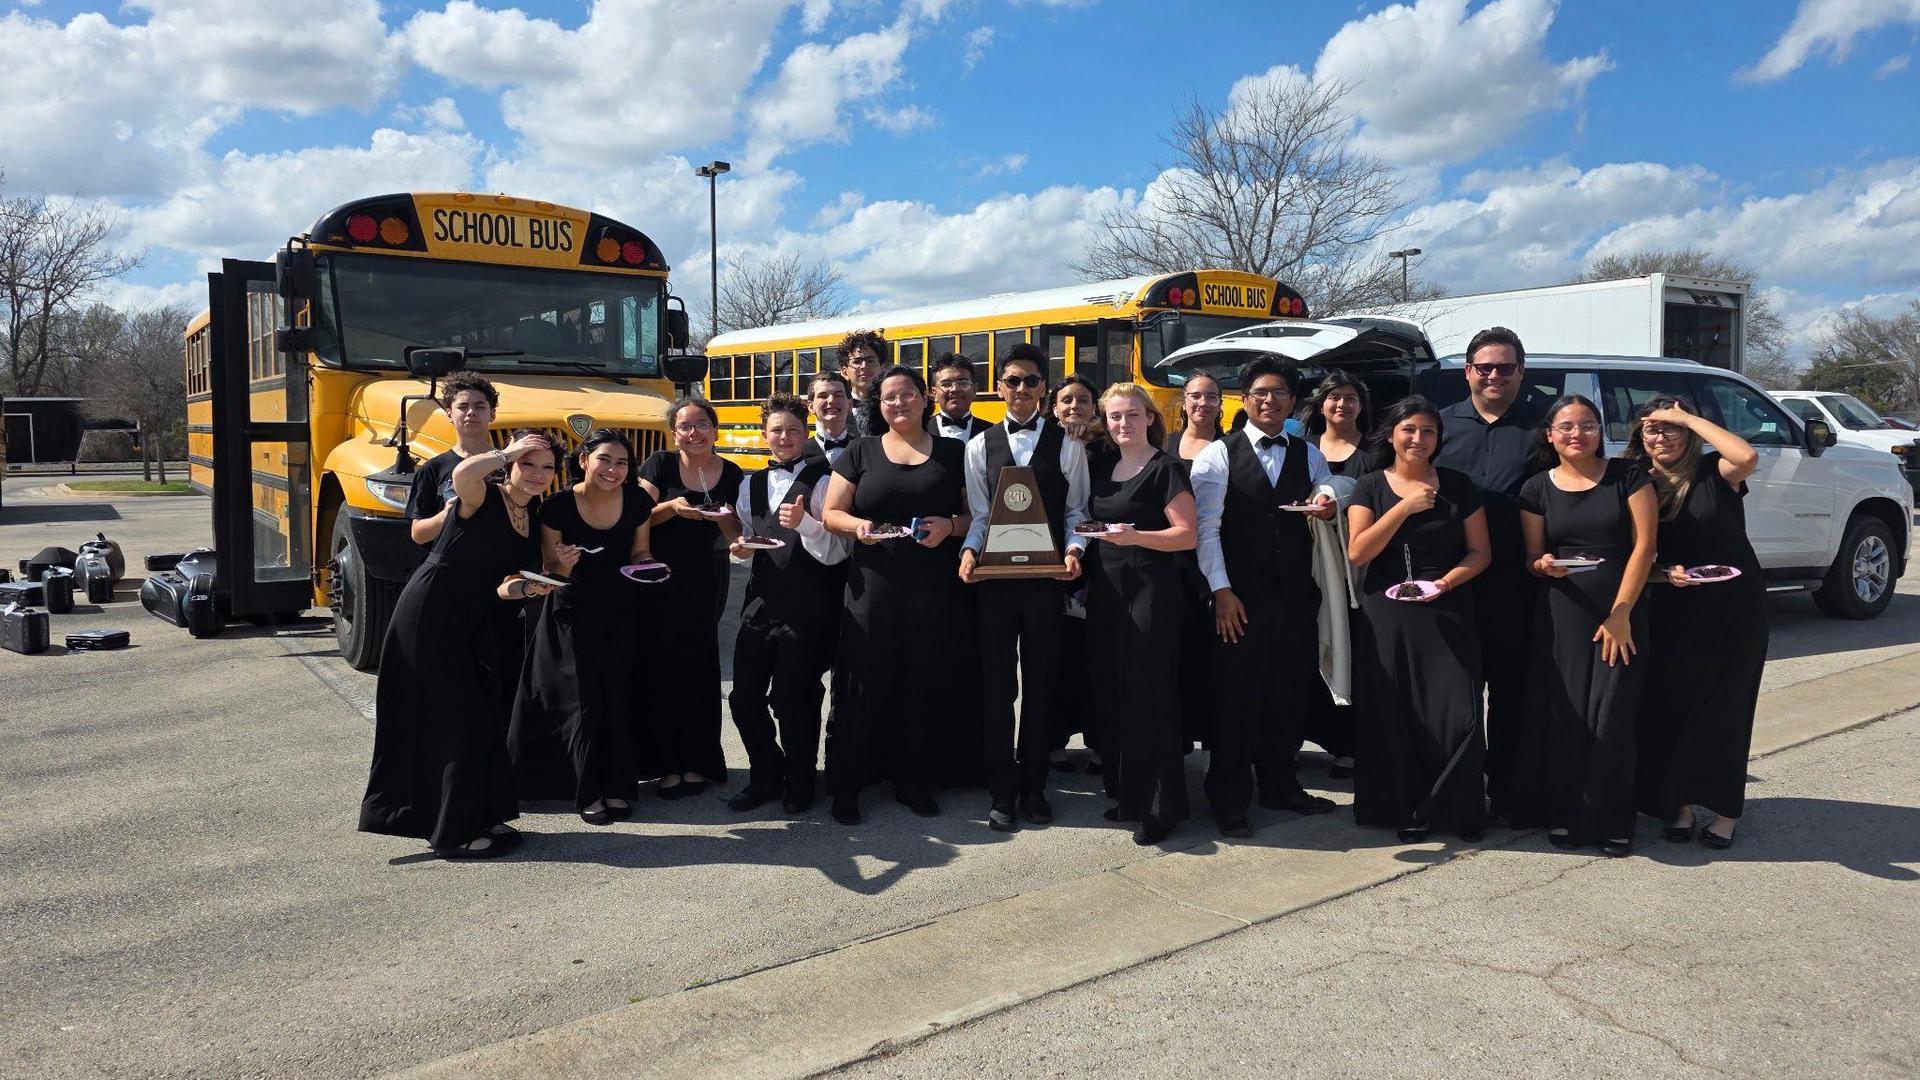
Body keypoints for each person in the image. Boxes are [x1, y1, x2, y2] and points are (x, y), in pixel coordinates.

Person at [359, 430, 556, 857]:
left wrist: (530, 589)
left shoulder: (532, 513)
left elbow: (506, 584)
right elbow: (465, 470)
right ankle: (452, 832)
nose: (537, 473)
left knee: (482, 719)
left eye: (546, 467)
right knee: (455, 722)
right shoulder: (482, 495)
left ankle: (478, 813)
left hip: (475, 620)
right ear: (511, 466)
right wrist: (508, 449)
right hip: (431, 613)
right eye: (528, 463)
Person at [1190, 357, 1340, 838]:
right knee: (1236, 697)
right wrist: (1222, 591)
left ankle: (1280, 784)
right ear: (1245, 399)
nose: (1269, 401)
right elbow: (1206, 532)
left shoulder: (1310, 454)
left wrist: (1331, 501)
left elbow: (1327, 504)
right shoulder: (1217, 455)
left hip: (1295, 597)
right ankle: (1230, 798)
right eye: (1260, 393)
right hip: (1240, 597)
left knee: (1288, 691)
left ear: (1292, 402)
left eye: (1279, 393)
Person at [821, 365, 971, 824]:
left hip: (932, 588)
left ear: (925, 399)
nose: (899, 403)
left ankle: (914, 781)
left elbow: (971, 516)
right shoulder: (861, 452)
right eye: (889, 397)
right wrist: (858, 526)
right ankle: (848, 785)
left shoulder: (953, 453)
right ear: (878, 405)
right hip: (873, 586)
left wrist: (949, 527)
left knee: (921, 683)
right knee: (862, 684)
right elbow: (831, 514)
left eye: (908, 394)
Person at [1512, 395, 1659, 857]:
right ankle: (1568, 814)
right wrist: (1544, 565)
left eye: (1588, 425)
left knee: (1612, 715)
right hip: (1561, 614)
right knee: (1567, 718)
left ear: (1601, 431)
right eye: (1567, 427)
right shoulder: (1536, 488)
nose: (1578, 434)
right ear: (1550, 435)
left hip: (1621, 613)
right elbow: (1532, 557)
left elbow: (1645, 549)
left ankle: (1615, 819)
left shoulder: (1628, 476)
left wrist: (1620, 613)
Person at [1344, 398, 1491, 842]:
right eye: (1408, 429)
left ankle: (1457, 807)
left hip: (1446, 608)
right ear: (1391, 435)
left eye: (1428, 431)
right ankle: (1404, 807)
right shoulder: (1368, 485)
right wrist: (1404, 508)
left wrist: (1445, 584)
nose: (1418, 439)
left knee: (1458, 710)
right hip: (1387, 614)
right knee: (1394, 711)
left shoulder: (1459, 485)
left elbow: (1481, 553)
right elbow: (1359, 551)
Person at [959, 345, 1091, 831]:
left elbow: (1077, 512)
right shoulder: (980, 447)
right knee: (998, 688)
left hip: (1045, 584)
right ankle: (1001, 789)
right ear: (999, 386)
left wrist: (1075, 551)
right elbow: (979, 517)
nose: (1020, 389)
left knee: (1041, 685)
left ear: (1043, 388)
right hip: (995, 585)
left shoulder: (1069, 446)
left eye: (1030, 381)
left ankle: (1035, 786)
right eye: (1012, 380)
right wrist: (969, 552)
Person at [1624, 397, 1764, 851]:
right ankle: (1678, 806)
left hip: (1732, 610)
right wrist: (1665, 575)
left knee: (1727, 709)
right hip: (1670, 608)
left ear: (1689, 435)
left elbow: (1747, 457)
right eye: (1651, 429)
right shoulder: (1635, 482)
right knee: (1670, 708)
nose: (1660, 437)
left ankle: (1725, 813)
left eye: (1670, 429)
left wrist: (1687, 416)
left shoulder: (1713, 473)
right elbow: (1630, 554)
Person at [508, 430, 653, 826]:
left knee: (616, 697)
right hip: (571, 612)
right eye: (605, 459)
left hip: (622, 608)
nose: (613, 469)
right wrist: (562, 564)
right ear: (584, 461)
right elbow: (549, 567)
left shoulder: (638, 500)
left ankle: (619, 787)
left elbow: (640, 550)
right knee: (583, 702)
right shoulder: (555, 506)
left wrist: (647, 565)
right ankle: (588, 792)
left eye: (622, 462)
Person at [725, 393, 850, 815]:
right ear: (765, 435)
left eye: (793, 430)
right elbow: (746, 536)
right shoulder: (749, 483)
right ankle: (766, 773)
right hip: (760, 604)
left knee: (795, 698)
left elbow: (838, 552)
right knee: (743, 698)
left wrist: (807, 524)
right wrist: (739, 548)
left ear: (805, 433)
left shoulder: (826, 479)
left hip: (809, 605)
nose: (784, 437)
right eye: (776, 430)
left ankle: (800, 779)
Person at [1434, 327, 1541, 821]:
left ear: (1521, 371)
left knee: (1513, 695)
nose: (1494, 375)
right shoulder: (1439, 426)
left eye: (1505, 367)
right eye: (1485, 367)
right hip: (1452, 582)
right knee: (1456, 694)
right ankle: (1459, 791)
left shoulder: (1545, 427)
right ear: (1468, 372)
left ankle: (1508, 792)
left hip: (1521, 584)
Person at [1085, 383, 1196, 844]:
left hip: (1151, 592)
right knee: (1115, 695)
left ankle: (1160, 807)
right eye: (1114, 416)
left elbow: (1186, 535)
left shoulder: (1166, 468)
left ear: (1150, 418)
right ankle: (1127, 797)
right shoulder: (1101, 466)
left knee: (1148, 695)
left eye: (1132, 415)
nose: (1123, 424)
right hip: (1107, 593)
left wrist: (1137, 536)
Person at [636, 398, 744, 798]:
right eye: (685, 426)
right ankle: (665, 764)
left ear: (715, 429)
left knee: (700, 666)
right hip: (657, 575)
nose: (694, 432)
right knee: (660, 665)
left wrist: (741, 545)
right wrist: (671, 508)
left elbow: (733, 525)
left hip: (705, 576)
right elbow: (636, 514)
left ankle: (698, 761)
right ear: (674, 432)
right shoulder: (660, 465)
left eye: (702, 424)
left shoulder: (730, 472)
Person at [1300, 371, 1374, 779]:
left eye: (1350, 397)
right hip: (1305, 567)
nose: (1342, 404)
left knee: (1353, 652)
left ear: (1361, 405)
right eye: (1334, 397)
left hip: (1355, 573)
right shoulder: (1302, 449)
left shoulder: (1375, 452)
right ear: (1321, 403)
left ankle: (1348, 746)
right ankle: (1300, 736)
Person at [406, 371, 501, 547]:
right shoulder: (433, 469)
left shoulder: (508, 465)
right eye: (463, 406)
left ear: (492, 414)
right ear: (449, 414)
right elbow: (418, 534)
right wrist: (450, 513)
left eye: (480, 406)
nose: (471, 412)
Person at [930, 352, 992, 442]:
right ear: (934, 393)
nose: (954, 389)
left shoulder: (991, 433)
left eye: (963, 383)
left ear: (974, 389)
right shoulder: (920, 431)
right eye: (946, 384)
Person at [836, 330, 888, 435]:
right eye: (857, 361)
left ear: (882, 369)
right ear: (845, 372)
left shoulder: (892, 406)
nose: (864, 366)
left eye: (870, 361)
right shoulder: (835, 409)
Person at [805, 370, 857, 465]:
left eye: (838, 395)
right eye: (823, 396)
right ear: (811, 406)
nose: (831, 400)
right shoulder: (800, 453)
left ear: (850, 404)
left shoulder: (864, 450)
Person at [1174, 371, 1225, 464]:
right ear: (1183, 403)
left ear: (1219, 405)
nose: (1203, 403)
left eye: (1211, 397)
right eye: (1195, 396)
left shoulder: (1230, 448)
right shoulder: (1165, 444)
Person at [1050, 373, 1101, 444]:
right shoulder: (1041, 440)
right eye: (1067, 400)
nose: (1074, 406)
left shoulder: (1107, 446)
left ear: (1093, 408)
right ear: (1055, 409)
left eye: (1082, 400)